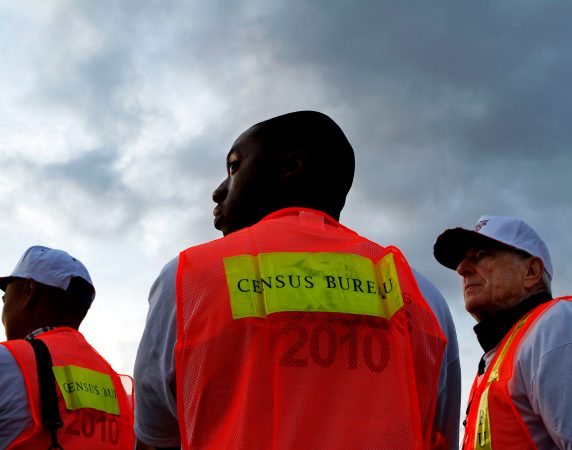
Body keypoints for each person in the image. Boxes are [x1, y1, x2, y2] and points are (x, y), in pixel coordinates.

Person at [134, 110, 460, 449]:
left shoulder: (190, 277)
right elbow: (439, 436)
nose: (219, 191)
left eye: (234, 168)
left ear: (291, 168)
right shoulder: (424, 296)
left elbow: (156, 435)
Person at [434, 215, 572, 450]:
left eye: (482, 255)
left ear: (531, 271)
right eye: (463, 260)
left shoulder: (555, 325)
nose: (462, 269)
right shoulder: (498, 358)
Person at [0, 245, 135, 449]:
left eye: (4, 297)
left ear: (29, 291)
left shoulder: (7, 361)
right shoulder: (118, 387)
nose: (4, 305)